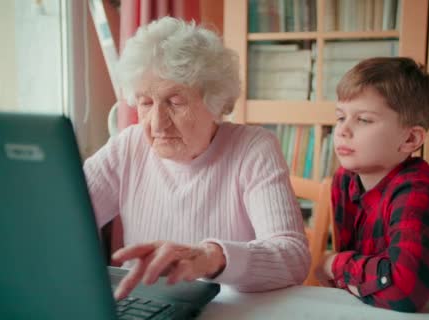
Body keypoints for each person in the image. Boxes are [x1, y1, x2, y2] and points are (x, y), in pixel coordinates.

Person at [84, 17, 310, 300]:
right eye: (145, 102)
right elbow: (59, 216)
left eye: (175, 102)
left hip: (228, 312)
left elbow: (293, 257)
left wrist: (211, 257)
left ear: (215, 102)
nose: (157, 125)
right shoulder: (127, 146)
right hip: (145, 307)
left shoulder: (253, 149)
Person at [315, 57, 429, 312]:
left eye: (364, 120)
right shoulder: (345, 180)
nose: (342, 131)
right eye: (340, 117)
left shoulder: (417, 191)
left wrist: (335, 263)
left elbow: (404, 292)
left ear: (410, 139)